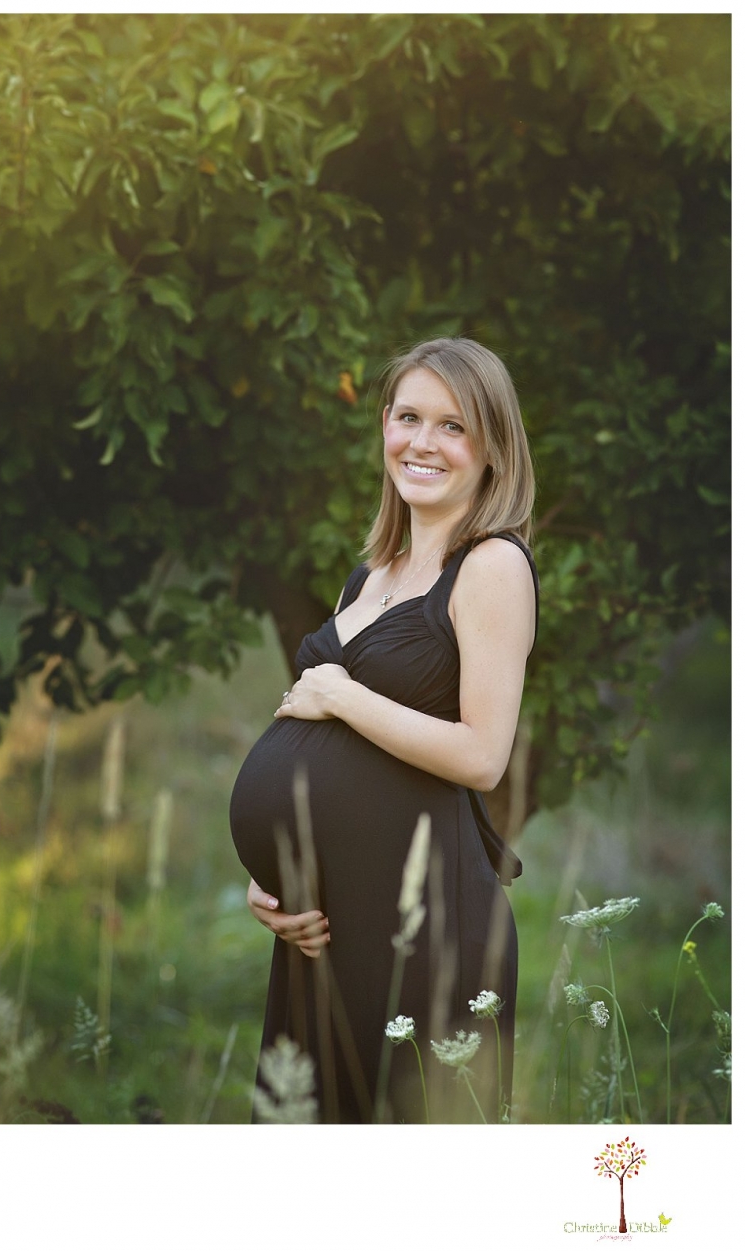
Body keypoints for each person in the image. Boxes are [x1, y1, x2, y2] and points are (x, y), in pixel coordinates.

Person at [229, 337, 538, 1123]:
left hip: (424, 933)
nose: (422, 443)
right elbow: (321, 760)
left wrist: (340, 692)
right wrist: (276, 876)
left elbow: (483, 755)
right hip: (323, 933)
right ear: (385, 428)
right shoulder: (369, 575)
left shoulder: (492, 567)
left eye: (453, 425)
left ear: (494, 449)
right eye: (408, 417)